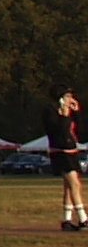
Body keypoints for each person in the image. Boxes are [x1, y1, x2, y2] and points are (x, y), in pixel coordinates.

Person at [50, 91, 86, 232]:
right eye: (67, 97)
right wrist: (64, 115)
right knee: (75, 184)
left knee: (69, 186)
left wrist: (76, 113)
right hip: (61, 152)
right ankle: (83, 218)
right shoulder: (51, 112)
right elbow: (59, 131)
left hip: (72, 152)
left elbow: (81, 133)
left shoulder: (70, 113)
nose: (70, 100)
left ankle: (67, 220)